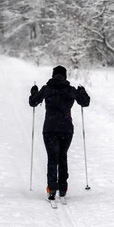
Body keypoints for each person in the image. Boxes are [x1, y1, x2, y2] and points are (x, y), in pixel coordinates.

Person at [29, 65, 90, 200]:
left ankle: (52, 189)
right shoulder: (70, 90)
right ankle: (63, 188)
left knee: (52, 158)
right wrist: (83, 91)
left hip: (50, 128)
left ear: (52, 75)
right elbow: (85, 103)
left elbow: (33, 102)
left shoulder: (47, 89)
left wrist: (34, 91)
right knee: (63, 156)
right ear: (65, 76)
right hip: (66, 129)